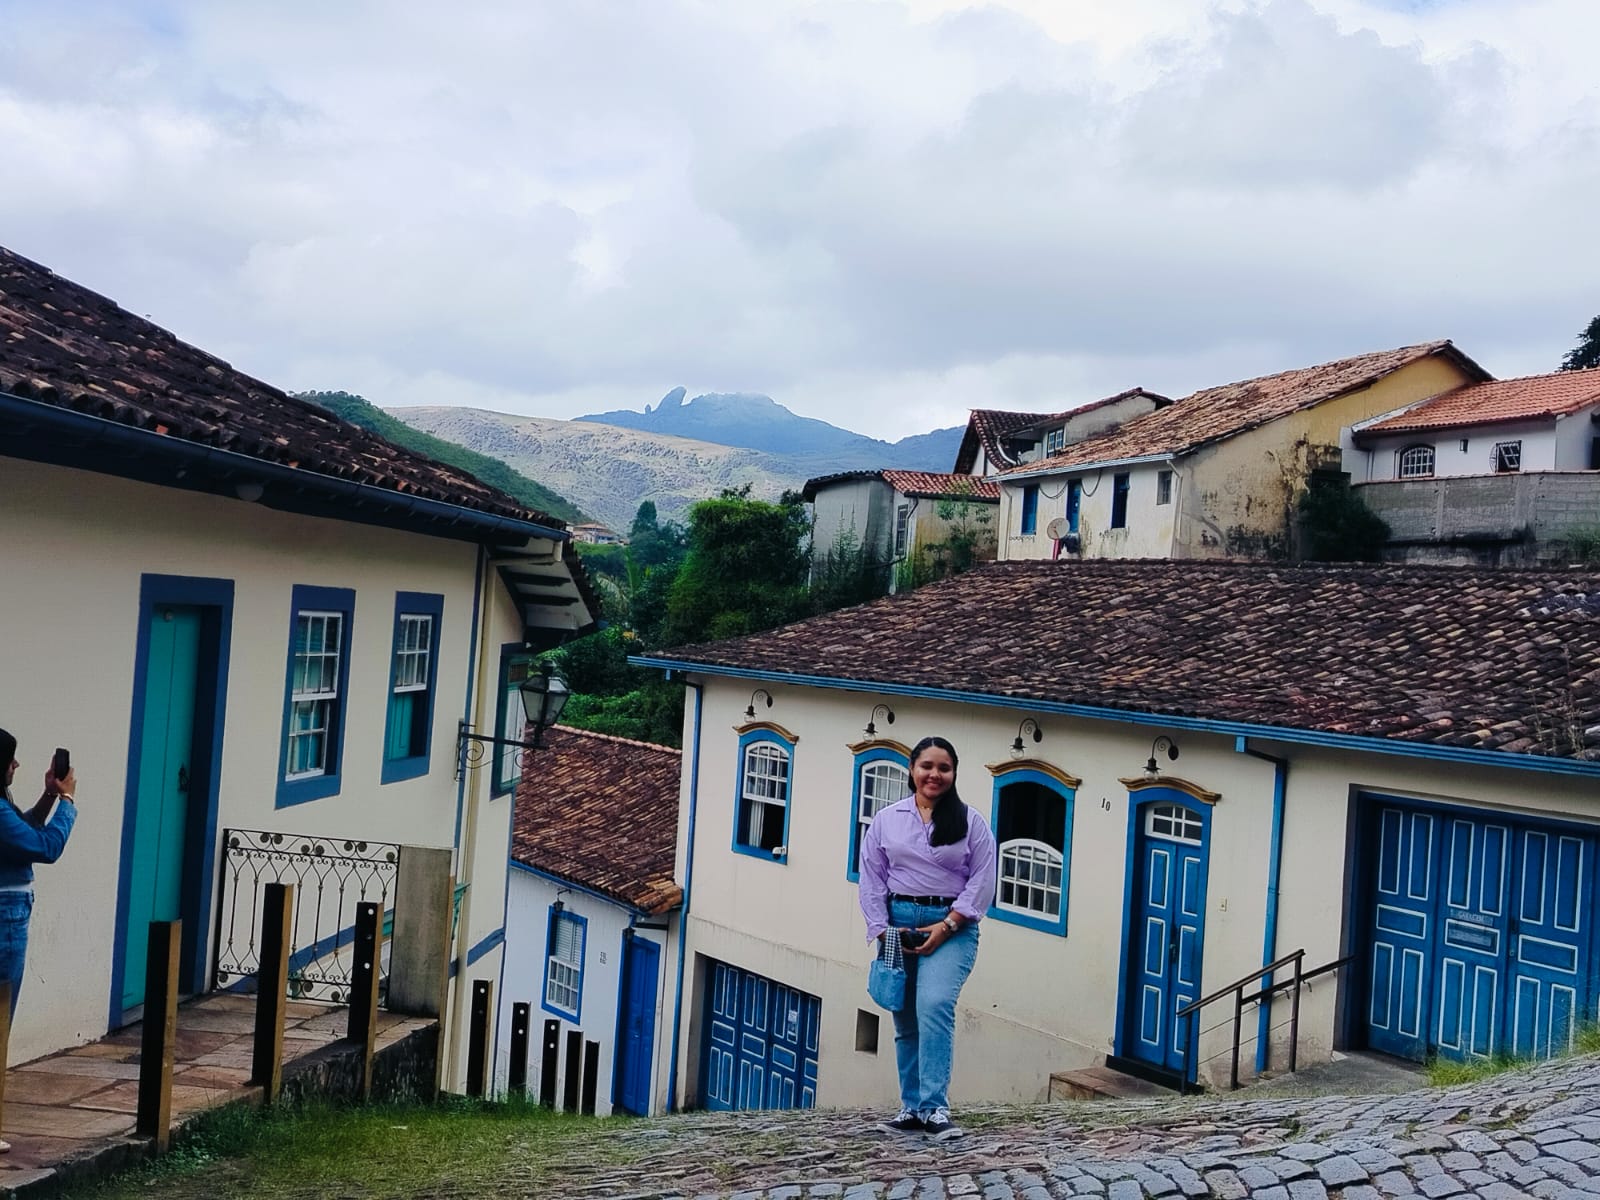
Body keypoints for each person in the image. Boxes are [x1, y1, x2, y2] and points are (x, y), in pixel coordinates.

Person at [857, 735, 996, 1142]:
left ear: (953, 774)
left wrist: (948, 924)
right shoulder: (887, 819)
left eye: (944, 768)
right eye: (927, 766)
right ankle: (911, 1108)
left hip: (951, 925)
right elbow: (871, 877)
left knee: (934, 1004)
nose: (934, 774)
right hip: (897, 925)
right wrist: (881, 930)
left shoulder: (971, 823)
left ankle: (935, 1107)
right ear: (912, 770)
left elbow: (983, 880)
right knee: (904, 1016)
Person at [0, 728, 78, 1017]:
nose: (16, 765)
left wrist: (50, 795)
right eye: (10, 759)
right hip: (6, 914)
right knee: (2, 1010)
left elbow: (22, 831)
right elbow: (46, 847)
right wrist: (67, 800)